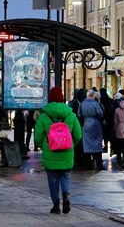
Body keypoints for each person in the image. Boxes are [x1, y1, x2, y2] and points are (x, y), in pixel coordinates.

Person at [34, 87, 83, 215]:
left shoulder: (44, 116)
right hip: (66, 152)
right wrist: (71, 144)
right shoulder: (71, 115)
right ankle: (66, 193)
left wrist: (44, 146)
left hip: (50, 152)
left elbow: (38, 137)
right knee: (65, 176)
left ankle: (56, 204)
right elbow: (78, 134)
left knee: (53, 179)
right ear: (62, 99)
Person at [79, 89, 105, 170]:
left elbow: (79, 114)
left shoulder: (82, 103)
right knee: (97, 144)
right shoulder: (95, 103)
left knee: (87, 145)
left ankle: (88, 165)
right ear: (93, 95)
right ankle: (99, 164)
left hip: (86, 124)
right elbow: (100, 114)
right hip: (95, 124)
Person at [113, 93, 124, 164]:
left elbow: (115, 121)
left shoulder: (117, 110)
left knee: (119, 144)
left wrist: (114, 129)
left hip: (119, 128)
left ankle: (119, 156)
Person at [99, 88, 115, 156]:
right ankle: (111, 147)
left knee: (105, 134)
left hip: (104, 119)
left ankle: (105, 147)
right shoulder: (110, 100)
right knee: (110, 134)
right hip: (111, 120)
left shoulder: (101, 101)